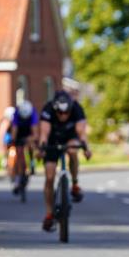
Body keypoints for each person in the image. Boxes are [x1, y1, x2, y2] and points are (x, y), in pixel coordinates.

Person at [39, 90, 91, 231]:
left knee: (73, 150)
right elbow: (44, 134)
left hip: (70, 137)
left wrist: (86, 148)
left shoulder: (77, 109)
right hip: (52, 140)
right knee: (49, 176)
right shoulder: (48, 109)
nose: (63, 116)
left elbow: (81, 133)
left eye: (66, 113)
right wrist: (42, 148)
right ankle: (49, 213)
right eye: (59, 113)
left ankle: (74, 184)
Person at [10, 100, 39, 194]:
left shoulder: (33, 113)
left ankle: (31, 162)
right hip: (19, 132)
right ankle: (18, 178)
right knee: (18, 153)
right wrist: (13, 140)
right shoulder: (16, 114)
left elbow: (35, 133)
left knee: (31, 144)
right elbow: (14, 130)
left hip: (29, 131)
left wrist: (31, 139)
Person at [0, 105, 17, 181]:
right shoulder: (4, 122)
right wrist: (2, 144)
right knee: (9, 150)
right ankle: (6, 158)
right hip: (8, 137)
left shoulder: (16, 121)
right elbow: (2, 133)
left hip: (14, 137)